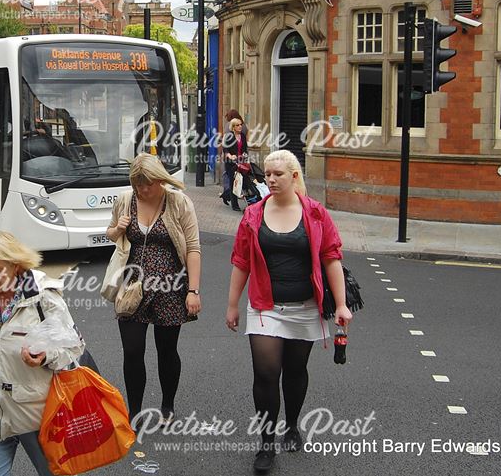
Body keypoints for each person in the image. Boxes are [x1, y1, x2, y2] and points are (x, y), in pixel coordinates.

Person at [224, 150, 352, 474]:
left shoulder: (316, 214)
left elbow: (331, 258)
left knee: (295, 371)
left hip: (305, 307)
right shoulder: (253, 214)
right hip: (265, 307)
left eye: (277, 174)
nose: (270, 179)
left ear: (294, 176)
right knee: (266, 374)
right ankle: (266, 444)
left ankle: (292, 424)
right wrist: (232, 304)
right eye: (267, 174)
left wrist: (341, 304)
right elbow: (241, 261)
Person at [0, 230, 85, 476]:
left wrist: (46, 357)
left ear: (15, 266)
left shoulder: (44, 299)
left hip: (38, 415)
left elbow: (74, 348)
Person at [106, 153, 201, 427]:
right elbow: (111, 234)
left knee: (166, 350)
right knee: (132, 350)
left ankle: (167, 406)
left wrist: (193, 291)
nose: (142, 190)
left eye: (147, 184)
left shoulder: (178, 202)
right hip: (132, 287)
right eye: (137, 184)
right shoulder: (126, 201)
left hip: (171, 288)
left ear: (160, 180)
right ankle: (134, 412)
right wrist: (117, 229)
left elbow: (193, 248)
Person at [220, 115, 259, 211]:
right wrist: (230, 156)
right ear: (233, 127)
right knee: (234, 182)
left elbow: (244, 148)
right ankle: (235, 205)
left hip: (241, 161)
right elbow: (225, 149)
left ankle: (226, 195)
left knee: (241, 181)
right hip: (231, 163)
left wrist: (245, 155)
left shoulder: (242, 136)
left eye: (241, 125)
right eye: (237, 125)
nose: (240, 127)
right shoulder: (229, 136)